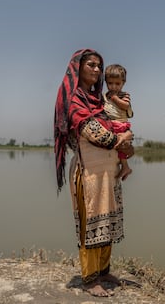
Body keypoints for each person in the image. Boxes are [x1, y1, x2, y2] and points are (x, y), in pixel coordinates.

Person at [54, 49, 134, 297]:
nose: (97, 70)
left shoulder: (102, 101)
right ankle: (89, 280)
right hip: (88, 172)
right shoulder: (75, 100)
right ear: (78, 67)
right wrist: (123, 138)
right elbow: (96, 134)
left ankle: (103, 271)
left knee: (107, 221)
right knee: (91, 224)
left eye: (100, 66)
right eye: (91, 65)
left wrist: (127, 142)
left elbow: (122, 127)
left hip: (108, 171)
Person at [103, 64, 134, 180]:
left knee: (120, 144)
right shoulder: (105, 96)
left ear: (123, 83)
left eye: (117, 84)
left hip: (120, 124)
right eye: (110, 83)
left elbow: (126, 106)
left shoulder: (123, 95)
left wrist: (115, 98)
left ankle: (125, 166)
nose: (113, 87)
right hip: (111, 124)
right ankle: (125, 166)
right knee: (118, 146)